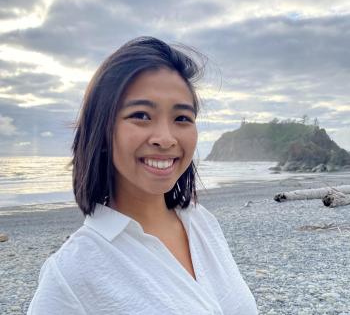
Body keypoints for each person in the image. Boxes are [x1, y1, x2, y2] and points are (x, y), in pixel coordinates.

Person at [27, 37, 258, 314]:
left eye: (182, 118)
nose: (165, 138)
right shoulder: (71, 274)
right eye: (141, 115)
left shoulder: (202, 222)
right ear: (102, 129)